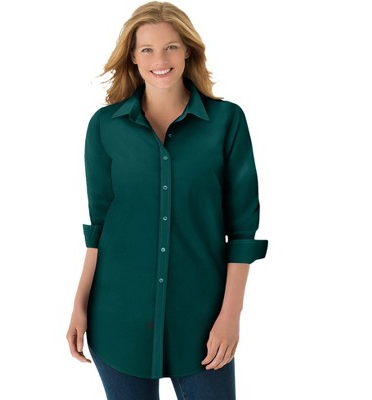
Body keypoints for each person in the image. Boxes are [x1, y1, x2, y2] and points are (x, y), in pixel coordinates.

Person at [66, 2, 268, 399]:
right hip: (117, 319)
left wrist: (231, 315)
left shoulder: (227, 122)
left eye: (171, 47)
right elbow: (100, 226)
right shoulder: (105, 127)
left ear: (188, 50)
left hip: (201, 321)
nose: (160, 59)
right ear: (133, 57)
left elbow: (242, 230)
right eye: (147, 49)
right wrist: (79, 304)